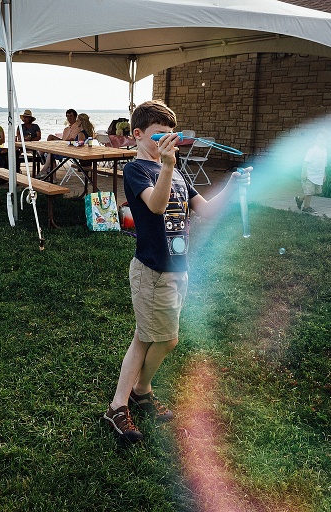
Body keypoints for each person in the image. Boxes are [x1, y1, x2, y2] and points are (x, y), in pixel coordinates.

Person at [103, 100, 251, 443]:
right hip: (152, 270)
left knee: (154, 337)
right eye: (159, 136)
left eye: (171, 135)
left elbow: (207, 212)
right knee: (158, 338)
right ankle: (126, 399)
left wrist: (231, 185)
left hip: (176, 269)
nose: (167, 142)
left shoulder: (177, 173)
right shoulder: (137, 170)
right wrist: (168, 165)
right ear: (138, 135)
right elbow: (155, 205)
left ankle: (133, 396)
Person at [39, 109, 84, 177]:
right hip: (63, 144)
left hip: (70, 148)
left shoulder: (77, 128)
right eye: (67, 116)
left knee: (49, 152)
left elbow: (73, 141)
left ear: (75, 117)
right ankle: (43, 156)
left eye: (71, 116)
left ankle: (43, 163)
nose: (69, 118)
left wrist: (59, 143)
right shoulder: (66, 129)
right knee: (50, 137)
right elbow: (64, 140)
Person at [294, 130, 327, 214]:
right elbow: (306, 162)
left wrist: (324, 174)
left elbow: (324, 164)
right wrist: (304, 173)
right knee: (309, 192)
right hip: (309, 175)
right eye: (320, 139)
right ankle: (306, 207)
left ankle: (300, 199)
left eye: (324, 139)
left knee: (317, 191)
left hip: (318, 175)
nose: (322, 141)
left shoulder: (324, 151)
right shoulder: (311, 151)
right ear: (315, 141)